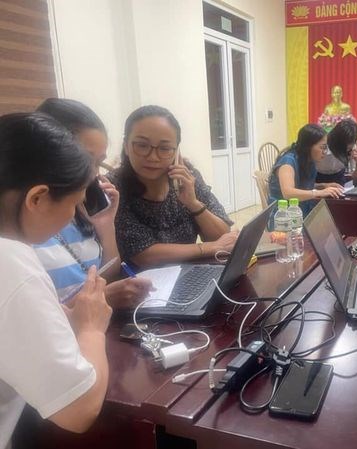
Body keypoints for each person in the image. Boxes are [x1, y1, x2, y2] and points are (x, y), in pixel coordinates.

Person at [0, 113, 112, 448]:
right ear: (37, 198)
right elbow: (79, 410)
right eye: (75, 203)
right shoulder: (10, 261)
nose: (74, 215)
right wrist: (92, 329)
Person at [34, 98, 153, 308]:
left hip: (99, 324)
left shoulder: (86, 204)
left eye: (99, 162)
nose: (93, 174)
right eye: (84, 160)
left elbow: (108, 275)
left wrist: (106, 227)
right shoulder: (17, 224)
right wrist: (104, 297)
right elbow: (27, 316)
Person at [109, 105, 237, 269]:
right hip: (141, 280)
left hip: (190, 273)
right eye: (142, 145)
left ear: (176, 151)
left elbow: (223, 237)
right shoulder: (113, 187)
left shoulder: (187, 177)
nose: (153, 157)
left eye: (164, 148)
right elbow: (143, 255)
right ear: (126, 146)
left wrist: (193, 204)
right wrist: (208, 248)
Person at [268, 124, 344, 218]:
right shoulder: (288, 162)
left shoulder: (308, 160)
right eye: (322, 147)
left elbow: (300, 186)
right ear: (308, 146)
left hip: (301, 211)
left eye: (326, 147)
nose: (325, 152)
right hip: (283, 217)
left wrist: (322, 186)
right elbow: (288, 193)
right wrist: (318, 192)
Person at [315, 119, 357, 186]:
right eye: (344, 146)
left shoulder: (354, 147)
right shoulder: (323, 145)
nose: (348, 148)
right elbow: (305, 183)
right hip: (317, 176)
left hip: (338, 177)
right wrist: (323, 186)